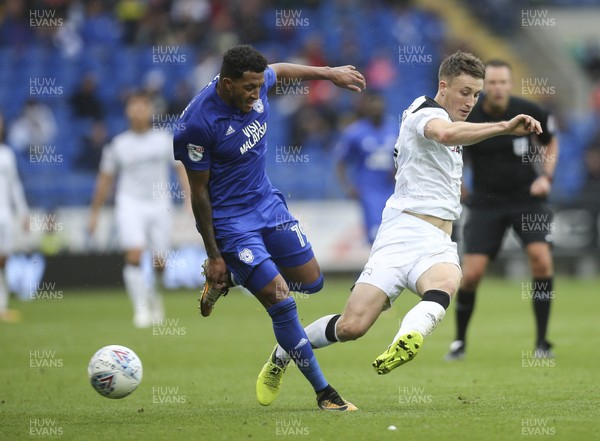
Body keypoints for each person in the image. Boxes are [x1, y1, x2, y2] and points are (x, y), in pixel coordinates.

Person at [255, 51, 543, 405]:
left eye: (476, 94)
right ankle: (283, 353)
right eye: (465, 92)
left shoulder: (453, 122)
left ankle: (407, 339)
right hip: (402, 233)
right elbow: (446, 133)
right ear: (443, 86)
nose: (471, 101)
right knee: (351, 327)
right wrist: (502, 126)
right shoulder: (424, 111)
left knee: (447, 282)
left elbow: (453, 142)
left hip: (438, 239)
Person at [173, 44, 366, 412]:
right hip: (231, 223)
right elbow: (199, 194)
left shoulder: (256, 82)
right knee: (282, 300)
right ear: (227, 84)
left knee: (312, 281)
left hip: (267, 205)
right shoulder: (196, 125)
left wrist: (329, 73)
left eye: (259, 87)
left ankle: (230, 280)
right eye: (248, 88)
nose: (255, 94)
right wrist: (214, 255)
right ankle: (325, 394)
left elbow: (280, 69)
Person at [445, 59, 559, 361]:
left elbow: (550, 143)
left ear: (510, 84)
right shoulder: (470, 115)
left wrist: (546, 178)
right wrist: (460, 186)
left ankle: (542, 343)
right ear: (484, 88)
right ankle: (459, 343)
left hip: (526, 200)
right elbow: (455, 149)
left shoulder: (530, 110)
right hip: (485, 202)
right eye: (491, 83)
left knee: (542, 262)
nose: (497, 88)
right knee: (471, 275)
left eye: (502, 82)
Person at [88, 92, 188, 328]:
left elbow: (180, 168)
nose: (139, 111)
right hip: (129, 203)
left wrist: (188, 198)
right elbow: (104, 179)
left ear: (150, 111)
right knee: (134, 254)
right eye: (135, 107)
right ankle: (141, 310)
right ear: (128, 112)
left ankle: (154, 295)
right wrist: (94, 213)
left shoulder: (164, 139)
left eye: (143, 107)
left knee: (160, 262)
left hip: (159, 203)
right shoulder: (119, 145)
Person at [335, 92, 397, 243]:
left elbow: (407, 156)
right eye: (373, 106)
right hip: (369, 191)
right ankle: (378, 266)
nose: (377, 109)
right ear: (367, 108)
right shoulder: (355, 132)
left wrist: (397, 169)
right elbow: (341, 161)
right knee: (376, 236)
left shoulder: (395, 129)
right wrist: (348, 187)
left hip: (393, 189)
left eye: (379, 105)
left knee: (394, 234)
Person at [0, 113, 29, 323]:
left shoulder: (6, 154)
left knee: (3, 260)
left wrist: (23, 212)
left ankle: (2, 305)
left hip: (4, 213)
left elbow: (15, 186)